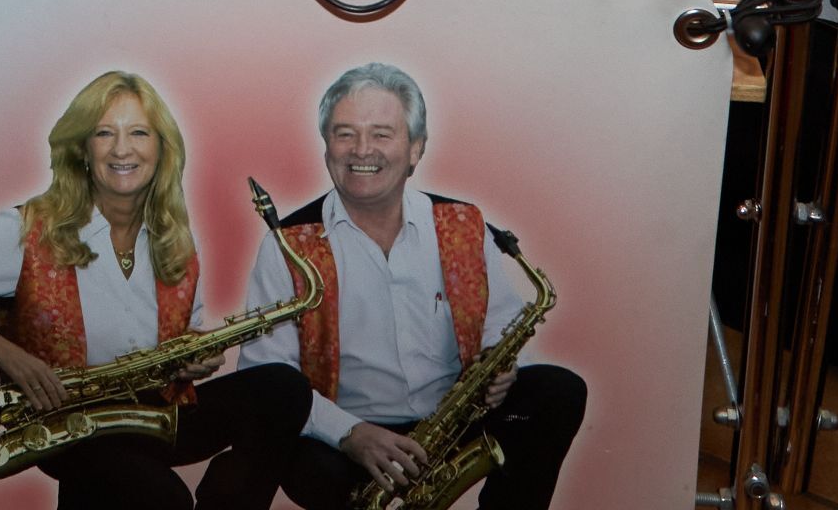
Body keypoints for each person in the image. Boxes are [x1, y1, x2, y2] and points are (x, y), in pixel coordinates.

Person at [0, 71, 307, 510]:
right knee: (163, 499)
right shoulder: (26, 227)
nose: (123, 149)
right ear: (82, 148)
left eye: (139, 133)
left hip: (154, 412)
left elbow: (187, 328)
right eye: (105, 133)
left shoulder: (176, 236)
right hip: (68, 422)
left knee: (283, 389)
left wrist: (197, 356)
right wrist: (10, 356)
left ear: (162, 149)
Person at [233, 64, 586, 508]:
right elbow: (267, 375)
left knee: (558, 391)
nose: (362, 150)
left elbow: (501, 326)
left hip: (455, 420)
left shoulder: (464, 224)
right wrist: (350, 433)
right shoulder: (287, 245)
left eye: (382, 134)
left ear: (416, 148)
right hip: (347, 435)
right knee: (307, 465)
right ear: (326, 147)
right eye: (345, 134)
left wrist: (503, 370)